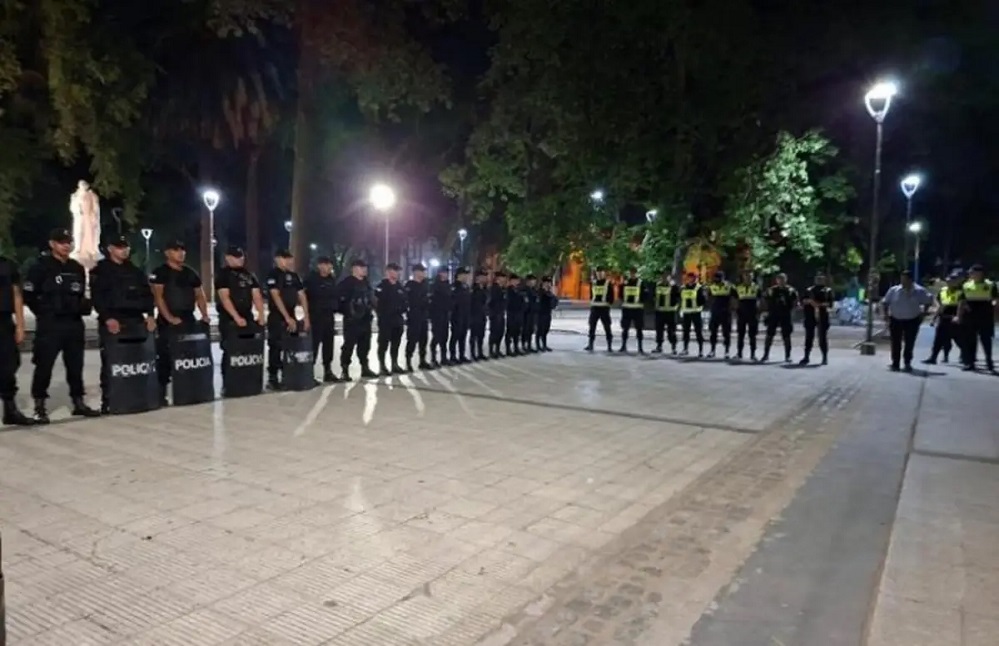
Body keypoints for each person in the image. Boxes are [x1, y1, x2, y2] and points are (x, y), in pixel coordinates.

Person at [23, 228, 101, 422]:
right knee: (44, 365)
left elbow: (80, 293)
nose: (66, 246)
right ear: (52, 244)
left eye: (68, 242)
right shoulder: (40, 267)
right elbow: (29, 294)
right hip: (50, 324)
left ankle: (78, 402)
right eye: (61, 242)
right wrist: (43, 313)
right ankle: (40, 405)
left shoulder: (76, 267)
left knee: (75, 365)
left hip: (73, 323)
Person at [91, 235, 158, 413]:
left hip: (135, 319)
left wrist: (150, 315)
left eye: (126, 247)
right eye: (120, 247)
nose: (124, 250)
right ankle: (109, 401)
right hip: (114, 320)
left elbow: (147, 295)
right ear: (110, 249)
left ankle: (139, 397)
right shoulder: (100, 271)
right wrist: (107, 318)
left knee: (138, 360)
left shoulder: (135, 271)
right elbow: (98, 297)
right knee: (113, 363)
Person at [150, 240, 210, 403]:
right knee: (164, 357)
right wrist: (169, 318)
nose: (181, 253)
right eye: (176, 250)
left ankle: (189, 390)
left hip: (188, 318)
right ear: (167, 253)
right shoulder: (160, 272)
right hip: (168, 321)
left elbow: (200, 295)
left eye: (182, 250)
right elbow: (158, 298)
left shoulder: (190, 273)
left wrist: (204, 315)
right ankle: (161, 393)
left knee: (189, 356)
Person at [214, 246, 265, 383]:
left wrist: (261, 314)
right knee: (229, 348)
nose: (240, 259)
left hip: (247, 316)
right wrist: (236, 317)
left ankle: (246, 379)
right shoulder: (223, 275)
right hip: (228, 318)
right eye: (236, 257)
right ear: (228, 258)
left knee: (248, 348)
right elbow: (224, 298)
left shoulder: (249, 275)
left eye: (241, 256)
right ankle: (228, 382)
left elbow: (256, 296)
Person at [264, 250, 312, 389]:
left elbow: (302, 295)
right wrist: (286, 317)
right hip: (277, 316)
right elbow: (276, 296)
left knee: (291, 346)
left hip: (292, 315)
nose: (289, 261)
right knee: (276, 346)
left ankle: (289, 375)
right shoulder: (273, 274)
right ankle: (273, 378)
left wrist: (306, 316)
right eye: (286, 259)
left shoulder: (294, 276)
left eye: (290, 258)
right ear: (277, 259)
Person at [0, 251, 34, 426]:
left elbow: (16, 294)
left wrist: (20, 325)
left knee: (9, 365)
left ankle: (10, 410)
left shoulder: (8, 265)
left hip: (4, 321)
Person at [881, 270, 932, 372]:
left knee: (909, 342)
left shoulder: (919, 291)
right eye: (902, 279)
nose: (903, 282)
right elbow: (885, 302)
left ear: (911, 280)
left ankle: (907, 362)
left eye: (905, 280)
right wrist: (885, 315)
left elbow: (928, 300)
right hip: (896, 319)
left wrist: (924, 313)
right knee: (896, 342)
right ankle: (895, 363)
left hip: (912, 320)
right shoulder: (894, 290)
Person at [337, 259, 376, 380]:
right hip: (352, 321)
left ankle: (365, 368)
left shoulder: (366, 283)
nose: (365, 270)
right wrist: (348, 312)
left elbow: (371, 299)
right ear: (354, 269)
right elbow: (339, 301)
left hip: (365, 319)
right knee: (348, 345)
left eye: (365, 267)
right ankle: (345, 370)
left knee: (365, 345)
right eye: (361, 267)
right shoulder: (346, 283)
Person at [304, 255, 340, 382]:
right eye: (327, 265)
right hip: (316, 316)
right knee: (314, 345)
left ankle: (328, 371)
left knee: (328, 344)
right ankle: (309, 372)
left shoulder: (331, 279)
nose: (329, 267)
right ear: (320, 265)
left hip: (329, 316)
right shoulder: (311, 279)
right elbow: (304, 297)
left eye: (330, 265)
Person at [959, 264, 998, 372]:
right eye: (971, 272)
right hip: (970, 315)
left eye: (973, 272)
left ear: (980, 273)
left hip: (985, 315)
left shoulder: (990, 285)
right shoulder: (966, 285)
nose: (971, 274)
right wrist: (959, 315)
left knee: (986, 339)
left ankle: (989, 362)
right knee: (970, 340)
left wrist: (995, 315)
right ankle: (970, 363)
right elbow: (962, 301)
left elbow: (996, 300)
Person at [924, 270, 964, 365]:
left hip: (955, 318)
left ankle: (966, 356)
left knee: (959, 339)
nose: (950, 281)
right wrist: (934, 318)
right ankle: (933, 357)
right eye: (949, 279)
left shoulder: (961, 292)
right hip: (944, 318)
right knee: (938, 339)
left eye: (953, 279)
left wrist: (960, 317)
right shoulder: (943, 291)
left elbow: (963, 306)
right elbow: (940, 306)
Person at [375, 262, 407, 375]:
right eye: (394, 270)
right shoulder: (381, 286)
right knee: (383, 343)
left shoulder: (400, 286)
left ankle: (394, 364)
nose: (397, 273)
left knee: (396, 344)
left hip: (398, 320)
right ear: (388, 272)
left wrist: (402, 309)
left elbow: (405, 301)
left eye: (398, 271)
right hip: (385, 320)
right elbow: (376, 303)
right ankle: (382, 366)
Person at [761, 273, 797, 363]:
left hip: (785, 314)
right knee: (769, 334)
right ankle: (765, 355)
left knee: (786, 335)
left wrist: (792, 312)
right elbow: (764, 299)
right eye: (779, 279)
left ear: (786, 279)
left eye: (783, 279)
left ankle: (788, 356)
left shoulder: (790, 290)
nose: (781, 281)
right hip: (773, 314)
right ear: (777, 280)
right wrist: (765, 311)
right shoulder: (771, 290)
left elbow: (795, 302)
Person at [800, 273, 834, 365]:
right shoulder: (809, 290)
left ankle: (824, 357)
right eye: (817, 279)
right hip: (810, 316)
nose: (819, 280)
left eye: (821, 279)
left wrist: (819, 304)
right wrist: (810, 301)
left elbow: (830, 303)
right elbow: (803, 301)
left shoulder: (827, 291)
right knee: (809, 337)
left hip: (822, 316)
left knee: (822, 337)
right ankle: (806, 356)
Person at [404, 263, 431, 371]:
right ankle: (408, 361)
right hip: (414, 316)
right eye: (421, 271)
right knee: (412, 339)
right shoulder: (409, 285)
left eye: (424, 271)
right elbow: (406, 301)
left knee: (424, 340)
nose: (423, 273)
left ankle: (422, 361)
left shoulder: (426, 285)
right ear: (415, 272)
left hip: (424, 316)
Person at [706, 271, 737, 358]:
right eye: (716, 278)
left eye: (719, 278)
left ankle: (727, 351)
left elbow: (736, 297)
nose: (717, 279)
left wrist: (734, 308)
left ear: (723, 278)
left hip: (726, 312)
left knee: (726, 333)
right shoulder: (712, 286)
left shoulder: (729, 286)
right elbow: (709, 298)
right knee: (713, 332)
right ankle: (712, 350)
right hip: (715, 312)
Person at [585, 266, 614, 352]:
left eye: (601, 272)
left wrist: (608, 303)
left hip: (604, 308)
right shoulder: (593, 283)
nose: (600, 274)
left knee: (607, 327)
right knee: (592, 326)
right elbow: (591, 295)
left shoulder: (608, 283)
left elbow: (611, 297)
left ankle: (609, 346)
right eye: (598, 272)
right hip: (594, 308)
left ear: (604, 273)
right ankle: (590, 344)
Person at [734, 272, 762, 361]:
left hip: (752, 313)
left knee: (752, 335)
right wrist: (735, 311)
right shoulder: (738, 287)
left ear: (752, 277)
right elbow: (735, 300)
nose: (748, 278)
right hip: (741, 313)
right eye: (746, 276)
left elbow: (760, 301)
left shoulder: (757, 287)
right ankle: (739, 353)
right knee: (740, 334)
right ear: (743, 277)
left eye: (750, 276)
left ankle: (753, 354)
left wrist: (759, 313)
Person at [618, 267, 646, 353]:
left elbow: (645, 295)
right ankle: (623, 346)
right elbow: (620, 294)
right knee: (625, 328)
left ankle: (640, 347)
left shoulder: (641, 283)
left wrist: (641, 301)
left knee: (639, 329)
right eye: (631, 273)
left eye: (633, 273)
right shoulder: (625, 283)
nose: (632, 274)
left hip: (637, 309)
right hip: (627, 309)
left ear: (636, 273)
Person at [429, 266, 452, 367]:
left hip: (445, 314)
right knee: (436, 336)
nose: (445, 274)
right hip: (437, 314)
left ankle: (444, 357)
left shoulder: (448, 285)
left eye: (446, 273)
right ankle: (433, 358)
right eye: (443, 272)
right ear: (439, 273)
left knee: (444, 336)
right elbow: (432, 300)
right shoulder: (434, 285)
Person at [679, 273, 706, 357]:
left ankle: (701, 350)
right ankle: (685, 349)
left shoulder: (699, 288)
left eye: (692, 278)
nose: (691, 279)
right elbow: (680, 298)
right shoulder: (683, 288)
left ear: (695, 279)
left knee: (698, 332)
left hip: (696, 312)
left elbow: (703, 300)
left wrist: (699, 304)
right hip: (686, 313)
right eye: (689, 278)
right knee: (685, 332)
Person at [653, 272, 680, 354]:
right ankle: (659, 346)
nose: (664, 278)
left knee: (671, 331)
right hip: (660, 311)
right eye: (662, 276)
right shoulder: (658, 285)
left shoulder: (674, 286)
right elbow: (654, 296)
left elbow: (678, 297)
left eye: (666, 276)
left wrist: (676, 307)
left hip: (670, 312)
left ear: (669, 277)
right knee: (659, 330)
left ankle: (673, 347)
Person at [450, 267, 472, 363]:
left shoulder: (466, 287)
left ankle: (462, 355)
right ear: (459, 275)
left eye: (467, 275)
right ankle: (453, 356)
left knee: (463, 336)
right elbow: (452, 302)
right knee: (455, 336)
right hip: (456, 315)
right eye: (465, 274)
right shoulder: (454, 287)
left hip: (465, 315)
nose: (466, 277)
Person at [470, 269, 489, 360]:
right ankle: (473, 353)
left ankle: (480, 352)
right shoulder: (473, 288)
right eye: (483, 277)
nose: (485, 278)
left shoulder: (485, 288)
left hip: (482, 314)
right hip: (474, 314)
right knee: (474, 335)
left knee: (481, 335)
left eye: (485, 277)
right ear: (478, 278)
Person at [488, 271, 508, 358]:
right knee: (494, 332)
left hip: (501, 313)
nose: (503, 280)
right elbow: (490, 302)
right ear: (497, 279)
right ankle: (491, 350)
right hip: (495, 314)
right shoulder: (493, 289)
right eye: (502, 278)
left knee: (500, 332)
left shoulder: (503, 289)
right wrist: (492, 313)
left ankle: (497, 349)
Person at [536, 276, 558, 351]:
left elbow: (554, 303)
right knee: (540, 330)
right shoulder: (540, 291)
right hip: (540, 313)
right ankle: (538, 345)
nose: (548, 284)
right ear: (543, 283)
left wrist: (554, 295)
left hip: (547, 313)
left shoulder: (550, 293)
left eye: (549, 283)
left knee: (546, 329)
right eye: (546, 282)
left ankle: (544, 345)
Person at [506, 273, 526, 356]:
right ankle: (508, 349)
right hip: (511, 313)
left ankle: (516, 347)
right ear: (510, 281)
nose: (516, 282)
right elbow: (508, 302)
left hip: (519, 313)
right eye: (514, 280)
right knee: (510, 331)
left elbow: (523, 301)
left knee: (517, 332)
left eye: (517, 280)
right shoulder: (508, 290)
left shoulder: (519, 290)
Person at [521, 274, 539, 353]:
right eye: (532, 281)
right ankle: (524, 345)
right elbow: (525, 302)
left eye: (534, 281)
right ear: (528, 281)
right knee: (525, 330)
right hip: (526, 313)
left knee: (531, 330)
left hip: (533, 313)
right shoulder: (524, 290)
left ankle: (529, 345)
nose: (533, 282)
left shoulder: (534, 290)